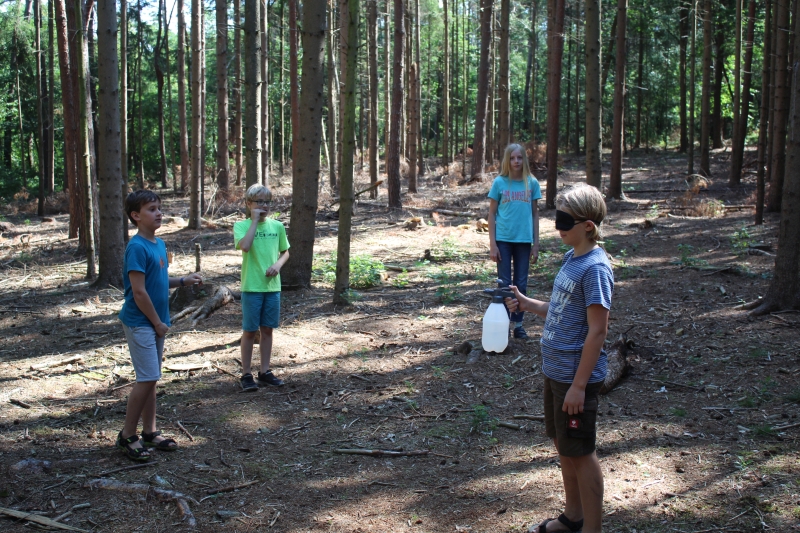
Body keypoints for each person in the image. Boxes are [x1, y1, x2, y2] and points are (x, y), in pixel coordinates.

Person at [504, 183, 613, 533]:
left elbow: (598, 331)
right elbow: (562, 308)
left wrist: (579, 386)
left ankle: (592, 529)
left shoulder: (595, 268)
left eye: (565, 221)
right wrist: (527, 304)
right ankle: (573, 517)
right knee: (565, 446)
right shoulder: (572, 258)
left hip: (574, 379)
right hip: (556, 373)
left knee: (581, 452)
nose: (557, 226)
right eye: (557, 218)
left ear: (588, 226)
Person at [118, 190, 203, 461]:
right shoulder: (136, 247)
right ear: (136, 216)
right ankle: (127, 435)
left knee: (152, 378)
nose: (159, 213)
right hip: (141, 322)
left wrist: (183, 281)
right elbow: (139, 291)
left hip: (156, 323)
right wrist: (156, 322)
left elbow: (159, 280)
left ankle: (150, 432)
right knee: (147, 378)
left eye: (159, 208)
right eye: (152, 209)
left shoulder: (159, 244)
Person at [234, 184, 290, 391]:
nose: (264, 206)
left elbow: (285, 251)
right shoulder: (241, 226)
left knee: (267, 329)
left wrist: (278, 265)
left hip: (272, 287)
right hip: (252, 286)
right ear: (249, 204)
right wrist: (255, 221)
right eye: (259, 202)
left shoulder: (277, 226)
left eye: (267, 202)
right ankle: (246, 374)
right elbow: (245, 246)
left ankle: (265, 371)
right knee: (250, 331)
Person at [488, 143, 542, 340]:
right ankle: (503, 324)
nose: (516, 161)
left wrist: (536, 244)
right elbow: (491, 214)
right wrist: (493, 244)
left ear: (524, 159)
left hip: (523, 241)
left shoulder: (531, 183)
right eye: (512, 158)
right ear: (507, 160)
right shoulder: (500, 183)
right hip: (503, 240)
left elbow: (535, 214)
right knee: (504, 284)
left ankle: (518, 325)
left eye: (519, 157)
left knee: (520, 283)